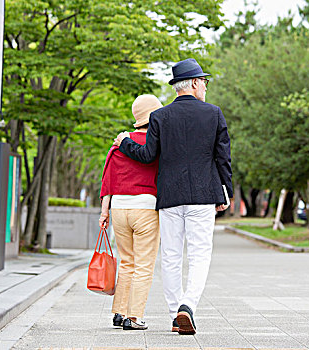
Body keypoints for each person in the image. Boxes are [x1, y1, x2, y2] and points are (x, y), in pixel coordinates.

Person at [114, 58, 233, 335]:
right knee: (200, 254)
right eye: (203, 81)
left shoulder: (159, 117)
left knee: (170, 256)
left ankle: (173, 314)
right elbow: (223, 159)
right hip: (204, 196)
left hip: (169, 197)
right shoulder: (214, 114)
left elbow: (147, 156)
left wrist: (125, 142)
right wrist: (225, 191)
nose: (205, 86)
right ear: (194, 83)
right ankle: (187, 306)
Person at [99, 94, 162, 331]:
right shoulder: (156, 144)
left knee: (126, 262)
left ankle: (119, 311)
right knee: (144, 264)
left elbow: (108, 181)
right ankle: (134, 317)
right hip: (145, 207)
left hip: (119, 208)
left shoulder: (119, 144)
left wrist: (104, 213)